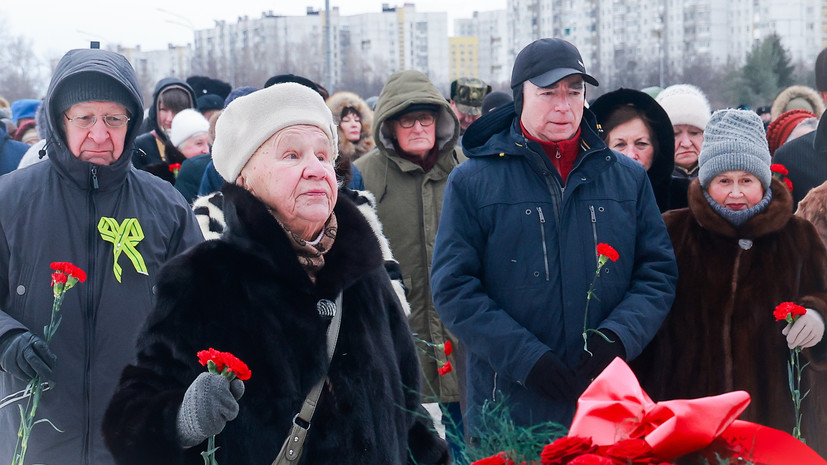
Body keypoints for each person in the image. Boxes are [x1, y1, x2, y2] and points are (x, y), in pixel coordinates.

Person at [101, 82, 449, 465]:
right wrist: (182, 420)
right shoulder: (204, 280)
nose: (316, 170)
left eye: (323, 155)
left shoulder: (363, 273)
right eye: (291, 155)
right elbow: (128, 420)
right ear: (246, 179)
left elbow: (409, 410)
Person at [430, 38, 678, 439]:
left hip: (608, 403)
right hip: (509, 407)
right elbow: (454, 288)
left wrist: (616, 339)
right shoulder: (473, 181)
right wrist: (528, 360)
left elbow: (657, 273)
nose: (564, 106)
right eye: (548, 93)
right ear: (519, 96)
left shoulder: (626, 178)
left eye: (575, 91)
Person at [0, 47, 203, 465]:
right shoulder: (11, 200)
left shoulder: (166, 206)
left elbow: (203, 311)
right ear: (60, 120)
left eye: (113, 118)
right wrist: (7, 340)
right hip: (33, 441)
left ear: (132, 124)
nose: (99, 133)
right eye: (84, 117)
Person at [631, 109, 827, 456]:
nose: (736, 192)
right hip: (687, 423)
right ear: (706, 183)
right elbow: (644, 311)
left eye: (746, 180)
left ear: (763, 181)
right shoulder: (673, 233)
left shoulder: (798, 236)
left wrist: (817, 315)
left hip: (774, 422)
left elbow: (824, 292)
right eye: (724, 181)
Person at [354, 69, 465, 451]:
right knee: (404, 437)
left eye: (426, 118)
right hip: (397, 325)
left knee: (468, 435)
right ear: (389, 124)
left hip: (460, 327)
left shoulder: (466, 168)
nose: (418, 127)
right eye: (407, 119)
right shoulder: (363, 175)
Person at [590, 88, 675, 211]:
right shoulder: (582, 203)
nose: (631, 155)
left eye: (641, 144)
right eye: (620, 145)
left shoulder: (682, 201)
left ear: (656, 149)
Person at [656, 84, 712, 209]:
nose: (686, 143)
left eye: (694, 132)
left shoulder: (722, 179)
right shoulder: (649, 184)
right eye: (675, 134)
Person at [133, 78, 196, 171]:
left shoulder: (202, 144)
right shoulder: (140, 146)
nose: (169, 118)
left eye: (176, 110)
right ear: (155, 110)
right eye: (164, 109)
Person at [326, 91, 374, 188]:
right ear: (336, 126)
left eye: (357, 120)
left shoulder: (373, 157)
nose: (354, 125)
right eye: (346, 120)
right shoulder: (332, 161)